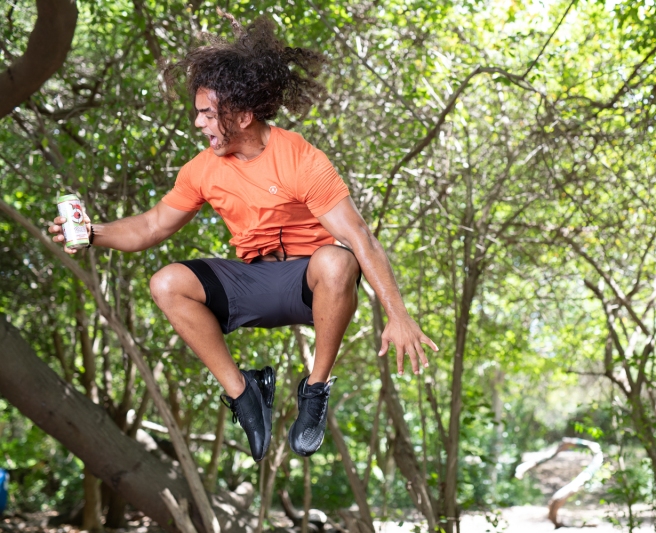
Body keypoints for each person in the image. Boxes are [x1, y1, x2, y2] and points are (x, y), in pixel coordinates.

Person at [48, 16, 437, 462]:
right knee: (166, 283)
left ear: (243, 115)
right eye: (198, 113)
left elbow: (360, 236)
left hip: (310, 286)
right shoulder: (201, 169)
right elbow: (151, 226)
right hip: (252, 283)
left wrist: (398, 313)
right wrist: (91, 233)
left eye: (208, 114)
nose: (198, 124)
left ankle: (315, 389)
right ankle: (245, 392)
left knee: (338, 260)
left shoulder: (301, 160)